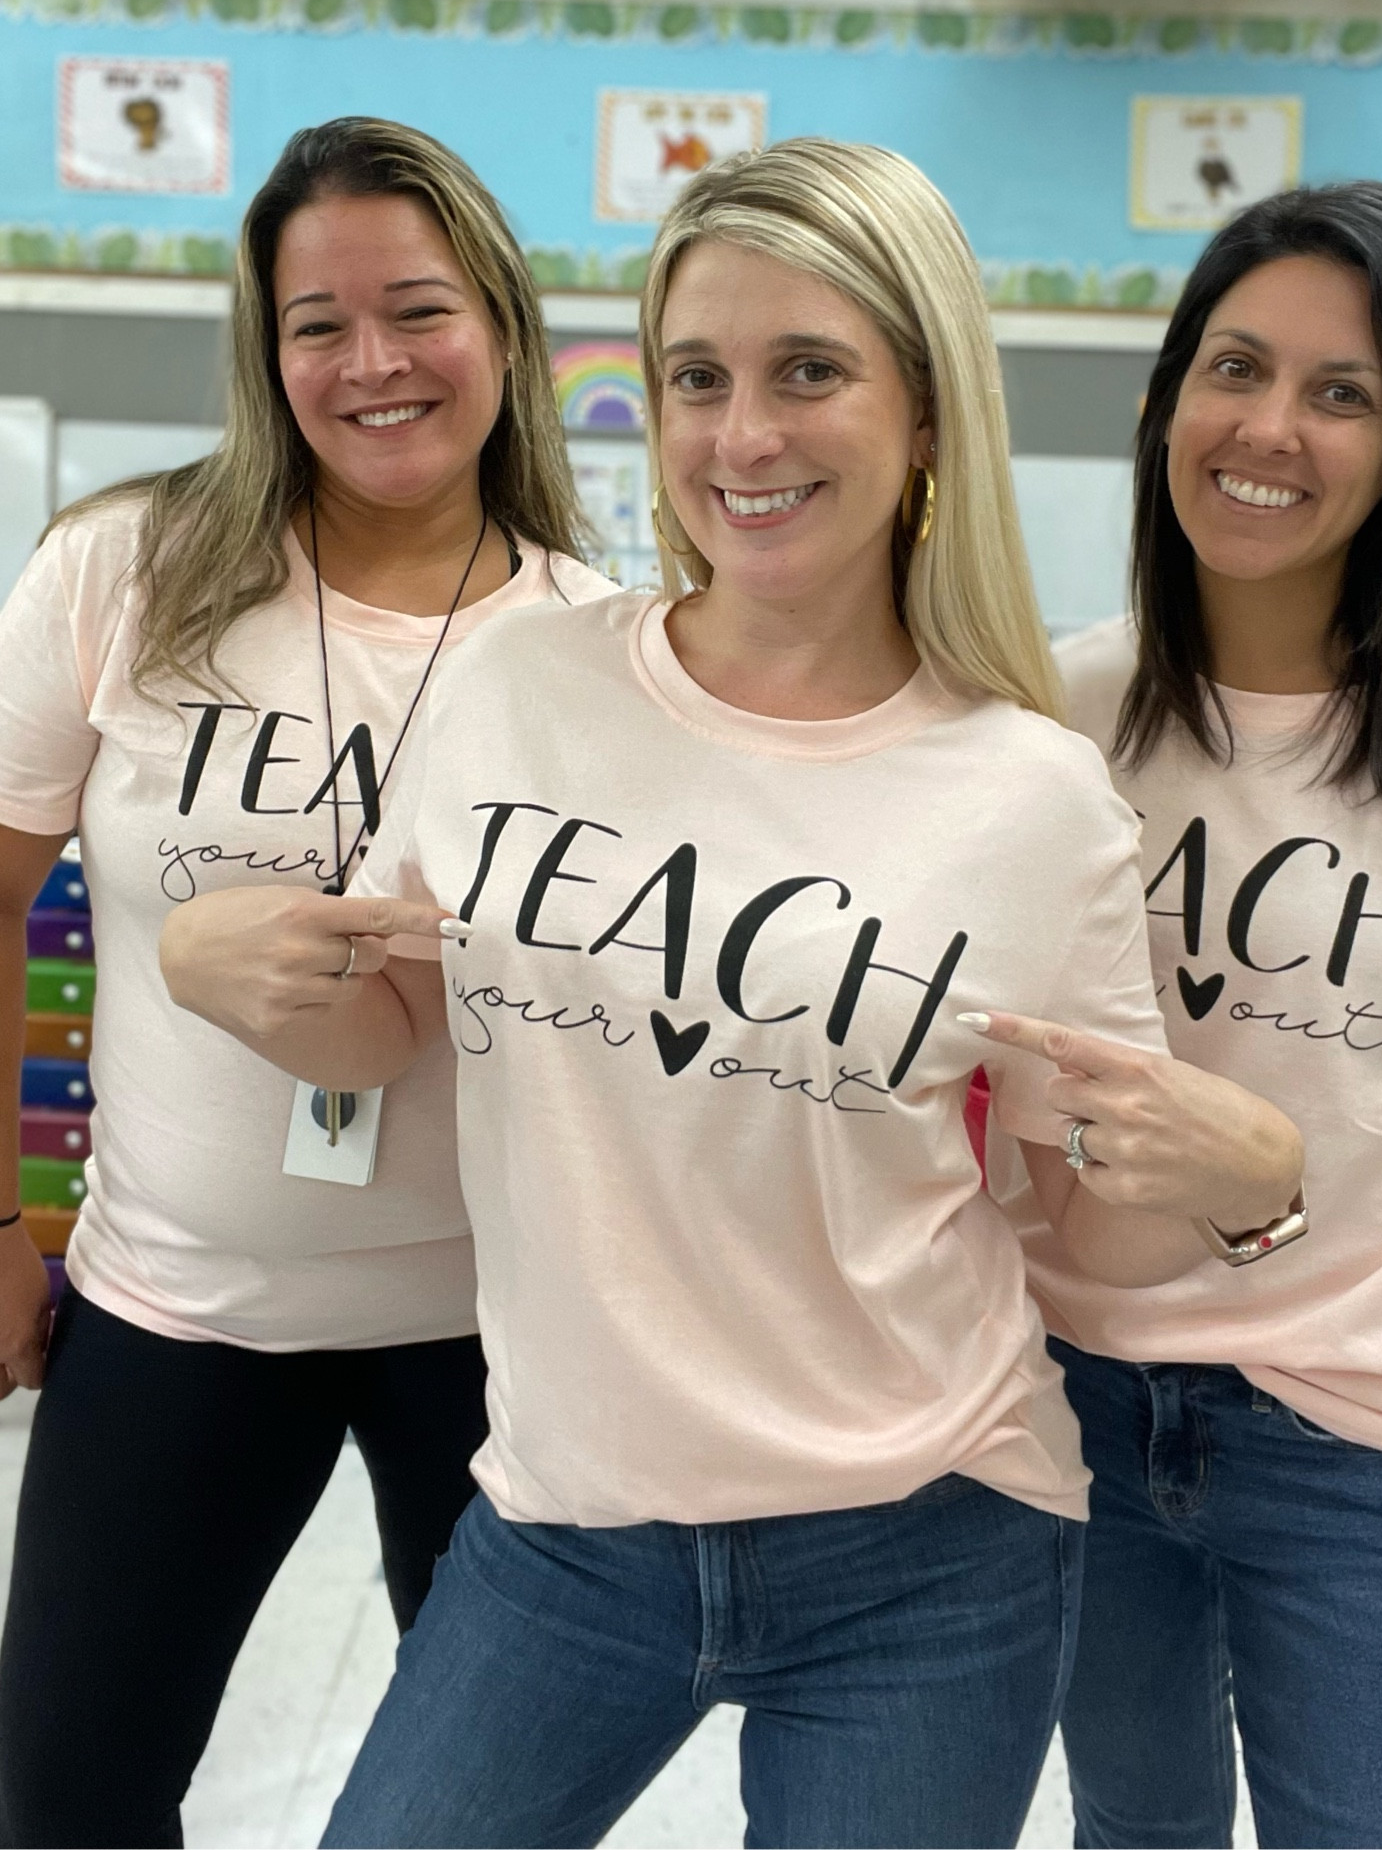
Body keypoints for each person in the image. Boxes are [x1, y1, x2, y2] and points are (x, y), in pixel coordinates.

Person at [163, 138, 1302, 1850]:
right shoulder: (518, 685)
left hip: (928, 1544)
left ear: (926, 414)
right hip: (563, 1522)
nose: (742, 437)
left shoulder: (1032, 797)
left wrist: (1239, 1196)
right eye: (698, 376)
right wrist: (208, 966)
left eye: (809, 372)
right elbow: (389, 1026)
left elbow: (1080, 1220)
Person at [0, 116, 612, 1849]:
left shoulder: (599, 641)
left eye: (416, 309)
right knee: (70, 1801)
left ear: (499, 319)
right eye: (315, 324)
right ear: (265, 355)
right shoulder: (126, 571)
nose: (372, 364)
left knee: (486, 1815)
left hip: (499, 1338)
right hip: (174, 1311)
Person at [1009, 180, 1382, 1849]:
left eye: (1344, 393)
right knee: (1135, 1829)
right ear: (1166, 401)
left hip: (1364, 1446)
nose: (1269, 429)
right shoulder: (1045, 715)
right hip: (1075, 1408)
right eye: (1235, 368)